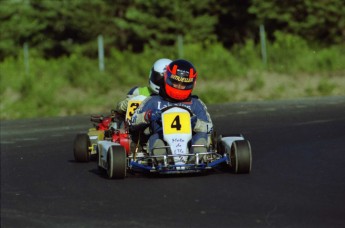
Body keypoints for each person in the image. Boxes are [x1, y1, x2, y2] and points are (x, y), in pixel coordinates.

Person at [130, 59, 213, 164]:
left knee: (201, 137)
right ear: (166, 78)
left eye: (183, 84)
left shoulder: (195, 103)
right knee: (156, 139)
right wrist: (147, 116)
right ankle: (162, 160)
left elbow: (209, 127)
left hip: (189, 143)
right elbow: (132, 122)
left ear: (192, 84)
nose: (179, 86)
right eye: (175, 82)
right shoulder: (154, 101)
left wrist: (196, 124)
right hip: (161, 138)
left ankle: (196, 159)